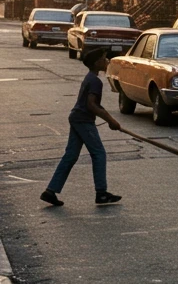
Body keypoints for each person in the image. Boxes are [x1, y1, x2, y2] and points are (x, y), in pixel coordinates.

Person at [40, 49, 123, 206]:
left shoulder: (91, 78)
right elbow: (91, 105)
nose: (107, 62)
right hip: (83, 120)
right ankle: (101, 193)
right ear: (96, 62)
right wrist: (111, 120)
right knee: (99, 154)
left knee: (70, 155)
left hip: (77, 118)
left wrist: (109, 118)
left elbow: (93, 104)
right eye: (104, 59)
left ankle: (50, 191)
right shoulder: (95, 81)